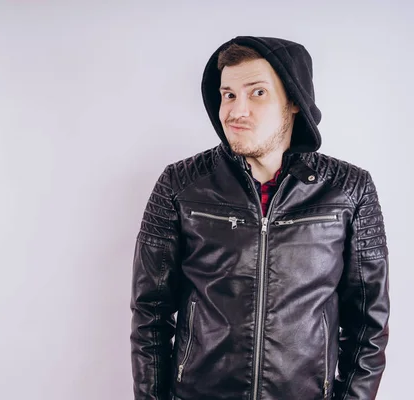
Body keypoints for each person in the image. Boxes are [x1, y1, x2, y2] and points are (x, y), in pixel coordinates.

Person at [129, 36, 390, 400]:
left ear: (295, 101)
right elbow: (150, 316)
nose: (236, 111)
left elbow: (368, 327)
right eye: (229, 94)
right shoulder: (180, 185)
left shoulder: (349, 190)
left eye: (257, 93)